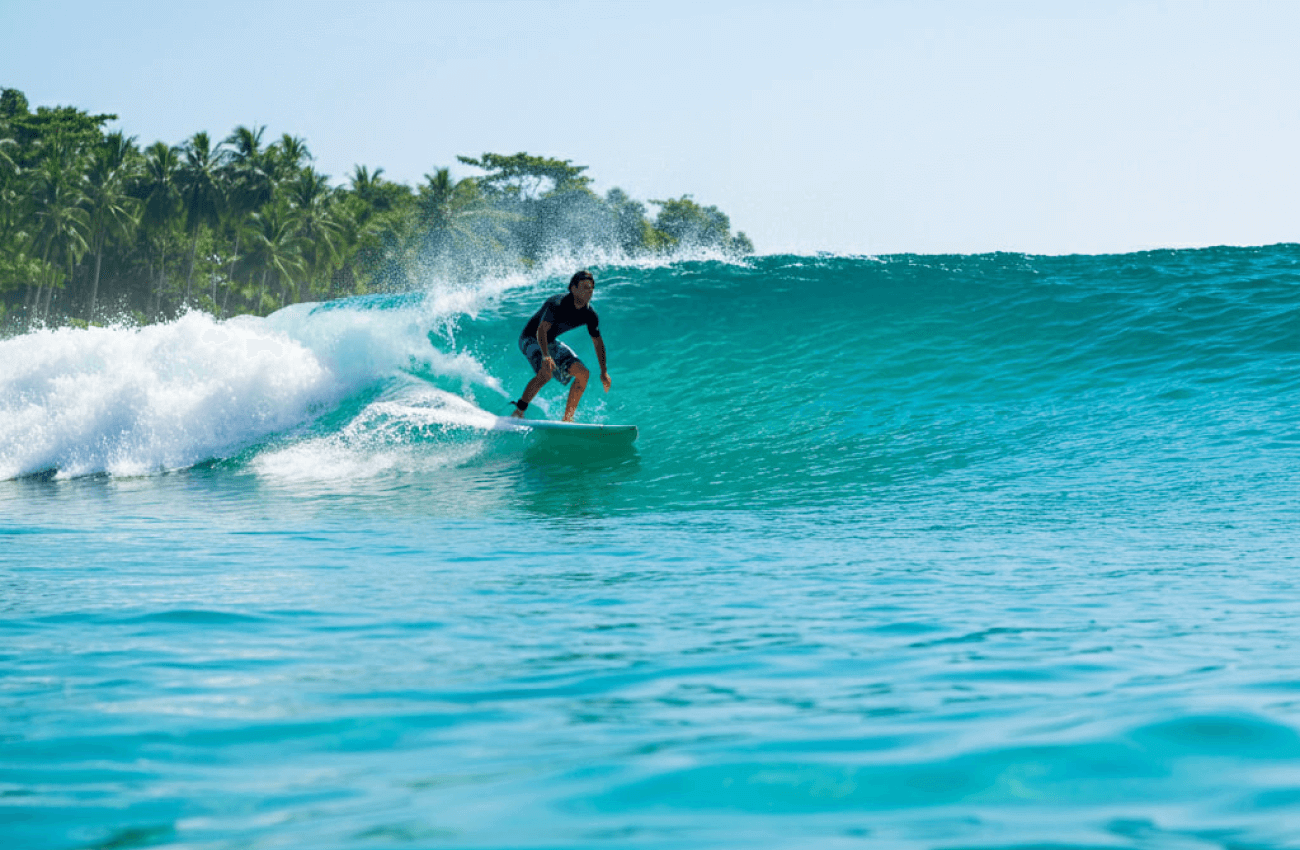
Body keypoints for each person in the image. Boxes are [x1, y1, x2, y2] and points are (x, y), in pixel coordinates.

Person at [510, 270, 611, 422]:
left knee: (583, 374)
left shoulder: (590, 314)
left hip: (550, 341)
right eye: (584, 287)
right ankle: (519, 410)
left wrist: (603, 372)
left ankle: (567, 419)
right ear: (573, 288)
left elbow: (597, 342)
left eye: (591, 288)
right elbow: (541, 331)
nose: (589, 291)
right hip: (530, 338)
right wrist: (546, 357)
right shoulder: (557, 304)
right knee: (546, 372)